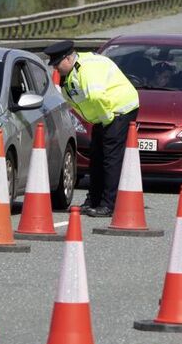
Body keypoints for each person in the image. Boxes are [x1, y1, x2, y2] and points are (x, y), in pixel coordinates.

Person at [45, 40, 139, 217]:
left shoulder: (87, 69)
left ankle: (108, 204)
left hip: (119, 110)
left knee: (110, 159)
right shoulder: (72, 72)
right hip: (104, 115)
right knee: (96, 157)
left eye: (57, 65)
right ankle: (93, 200)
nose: (56, 70)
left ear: (67, 59)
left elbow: (96, 96)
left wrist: (106, 120)